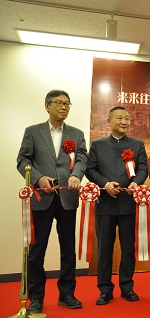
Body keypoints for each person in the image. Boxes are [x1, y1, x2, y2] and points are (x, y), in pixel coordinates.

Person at [16, 90, 87, 313]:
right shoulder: (33, 132)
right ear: (47, 106)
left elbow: (82, 158)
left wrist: (76, 175)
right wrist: (37, 178)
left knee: (68, 249)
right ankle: (36, 297)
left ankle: (66, 293)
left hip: (67, 196)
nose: (64, 107)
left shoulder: (76, 134)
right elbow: (22, 160)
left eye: (68, 104)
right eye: (59, 103)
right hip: (42, 197)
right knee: (37, 250)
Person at [85, 106, 148, 305]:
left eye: (127, 119)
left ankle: (127, 287)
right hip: (105, 204)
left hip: (129, 203)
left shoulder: (137, 145)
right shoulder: (97, 145)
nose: (124, 122)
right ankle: (105, 289)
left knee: (128, 248)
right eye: (119, 118)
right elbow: (90, 170)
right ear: (109, 121)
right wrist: (105, 184)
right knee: (105, 248)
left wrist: (136, 182)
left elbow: (144, 168)